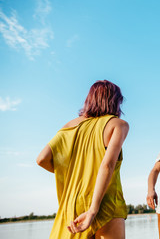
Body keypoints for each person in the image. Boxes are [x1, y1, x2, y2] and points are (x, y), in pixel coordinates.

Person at [36, 80, 129, 239]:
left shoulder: (69, 126)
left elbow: (41, 159)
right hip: (106, 201)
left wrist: (75, 176)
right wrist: (93, 209)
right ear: (115, 101)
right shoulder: (117, 124)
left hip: (73, 205)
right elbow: (107, 165)